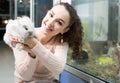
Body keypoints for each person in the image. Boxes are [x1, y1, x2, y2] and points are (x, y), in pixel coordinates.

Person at [4, 2, 83, 83]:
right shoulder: (24, 32)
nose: (50, 23)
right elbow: (25, 76)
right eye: (51, 15)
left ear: (64, 30)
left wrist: (33, 44)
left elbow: (58, 69)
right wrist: (32, 54)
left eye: (59, 22)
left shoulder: (60, 42)